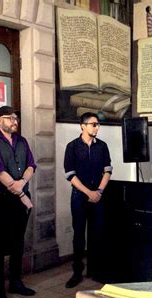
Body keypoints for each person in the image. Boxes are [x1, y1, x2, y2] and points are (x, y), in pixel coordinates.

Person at [0, 106, 36, 298]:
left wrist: (22, 183)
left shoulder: (22, 141)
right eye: (10, 118)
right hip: (2, 199)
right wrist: (21, 193)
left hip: (21, 197)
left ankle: (16, 282)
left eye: (16, 118)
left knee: (17, 242)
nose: (15, 121)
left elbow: (31, 165)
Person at [63, 112, 112, 288]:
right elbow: (70, 175)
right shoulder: (72, 147)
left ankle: (94, 269)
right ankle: (77, 272)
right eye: (93, 124)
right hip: (79, 196)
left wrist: (98, 191)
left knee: (97, 234)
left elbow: (107, 170)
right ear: (83, 126)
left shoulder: (102, 146)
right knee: (78, 235)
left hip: (98, 195)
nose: (97, 127)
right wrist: (88, 193)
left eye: (98, 124)